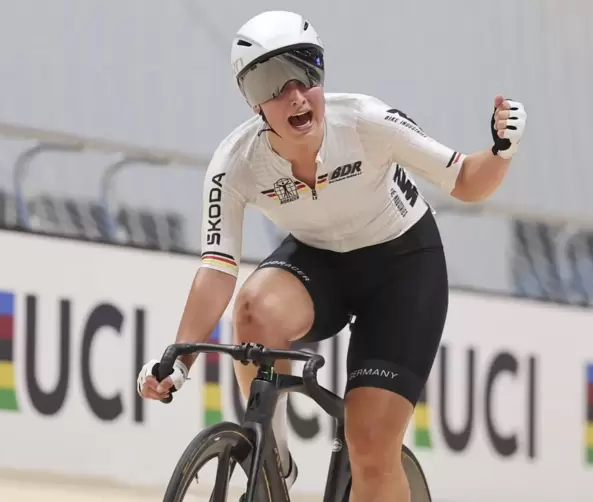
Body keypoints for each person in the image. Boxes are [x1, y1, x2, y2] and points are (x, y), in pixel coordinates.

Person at [137, 9, 527, 502]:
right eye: (272, 83)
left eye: (307, 71)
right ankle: (271, 461)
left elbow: (467, 181)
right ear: (251, 101)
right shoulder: (235, 163)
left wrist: (501, 150)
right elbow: (217, 270)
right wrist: (181, 358)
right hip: (320, 260)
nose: (295, 95)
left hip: (402, 268)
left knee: (369, 449)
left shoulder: (366, 122)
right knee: (254, 311)